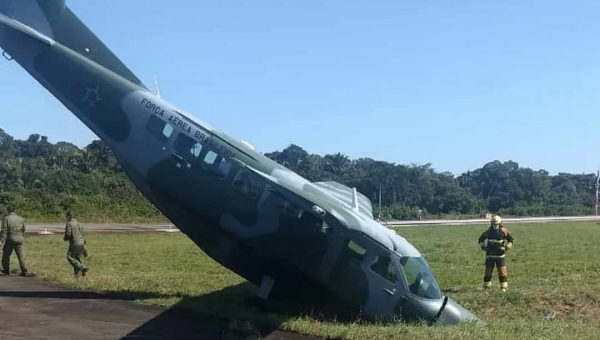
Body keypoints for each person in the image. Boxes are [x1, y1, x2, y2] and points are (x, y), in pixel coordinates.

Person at [478, 215, 514, 292]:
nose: (495, 226)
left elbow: (511, 240)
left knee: (502, 272)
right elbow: (481, 239)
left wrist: (506, 248)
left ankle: (503, 288)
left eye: (496, 224)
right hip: (490, 256)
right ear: (491, 223)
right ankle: (486, 287)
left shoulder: (504, 231)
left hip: (500, 256)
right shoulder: (488, 232)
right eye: (494, 224)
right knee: (488, 272)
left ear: (500, 223)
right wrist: (483, 247)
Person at [0, 206, 29, 276]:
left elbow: (4, 230)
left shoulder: (6, 218)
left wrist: (2, 240)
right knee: (21, 255)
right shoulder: (20, 218)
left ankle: (6, 269)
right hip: (20, 238)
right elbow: (24, 228)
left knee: (6, 254)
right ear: (14, 211)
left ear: (8, 211)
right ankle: (24, 270)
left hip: (11, 238)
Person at [63, 210, 89, 277]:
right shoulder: (79, 224)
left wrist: (65, 238)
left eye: (67, 217)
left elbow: (68, 234)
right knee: (78, 259)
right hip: (82, 243)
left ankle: (83, 268)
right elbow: (84, 234)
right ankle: (78, 274)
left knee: (70, 257)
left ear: (68, 216)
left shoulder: (69, 224)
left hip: (74, 243)